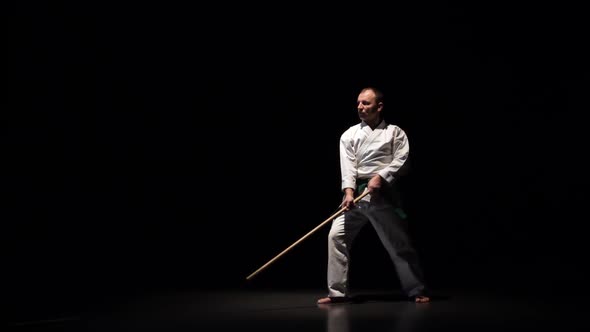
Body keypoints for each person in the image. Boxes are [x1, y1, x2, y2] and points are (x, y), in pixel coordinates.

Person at [317, 87, 430, 304]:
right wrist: (348, 192)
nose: (360, 107)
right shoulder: (349, 134)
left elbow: (402, 160)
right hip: (356, 197)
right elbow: (348, 166)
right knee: (335, 236)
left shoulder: (395, 132)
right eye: (358, 103)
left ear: (379, 106)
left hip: (381, 195)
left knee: (397, 243)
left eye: (366, 103)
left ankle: (416, 289)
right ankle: (337, 293)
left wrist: (381, 176)